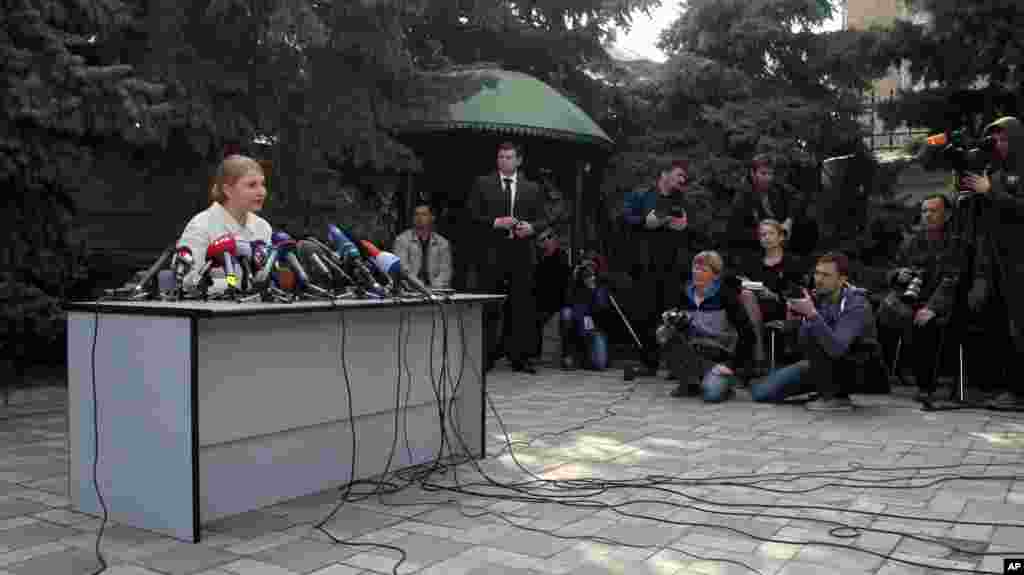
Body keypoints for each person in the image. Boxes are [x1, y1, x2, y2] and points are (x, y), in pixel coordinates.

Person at [750, 252, 878, 411]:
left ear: (842, 279)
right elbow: (803, 343)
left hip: (858, 369)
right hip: (821, 364)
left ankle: (836, 398)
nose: (819, 279)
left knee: (816, 335)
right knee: (761, 392)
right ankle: (822, 389)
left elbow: (838, 348)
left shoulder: (856, 303)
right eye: (817, 273)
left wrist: (811, 315)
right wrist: (795, 318)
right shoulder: (819, 297)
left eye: (826, 275)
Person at [621, 158, 707, 376]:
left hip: (673, 266)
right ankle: (648, 363)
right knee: (645, 314)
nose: (682, 180)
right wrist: (645, 222)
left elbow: (696, 230)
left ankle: (675, 363)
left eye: (683, 177)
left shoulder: (683, 200)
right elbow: (624, 219)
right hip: (646, 264)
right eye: (678, 175)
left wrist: (686, 227)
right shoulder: (642, 195)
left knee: (672, 315)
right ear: (664, 174)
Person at [468, 142, 549, 374]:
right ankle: (485, 357)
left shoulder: (532, 188)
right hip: (491, 254)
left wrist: (531, 228)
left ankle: (520, 357)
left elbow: (543, 219)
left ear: (519, 160)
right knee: (490, 306)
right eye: (501, 157)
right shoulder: (482, 183)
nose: (504, 161)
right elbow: (470, 216)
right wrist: (495, 222)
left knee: (520, 307)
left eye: (509, 157)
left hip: (521, 253)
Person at [960, 116, 1024, 407]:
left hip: (1018, 261)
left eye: (1003, 138)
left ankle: (1017, 391)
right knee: (993, 323)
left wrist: (991, 192)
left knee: (1017, 326)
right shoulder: (990, 171)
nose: (997, 144)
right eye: (993, 138)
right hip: (993, 259)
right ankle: (996, 385)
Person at [876, 194, 959, 402]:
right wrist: (898, 274)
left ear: (947, 215)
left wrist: (932, 307)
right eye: (924, 211)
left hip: (941, 302)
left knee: (924, 321)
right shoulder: (912, 241)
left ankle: (925, 385)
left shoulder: (955, 242)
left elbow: (952, 279)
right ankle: (880, 375)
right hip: (911, 298)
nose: (927, 215)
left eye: (933, 210)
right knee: (881, 313)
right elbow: (891, 269)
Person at [661, 251, 756, 402]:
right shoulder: (684, 293)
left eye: (703, 270)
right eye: (695, 268)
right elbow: (677, 330)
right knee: (663, 332)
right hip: (692, 353)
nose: (697, 273)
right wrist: (672, 320)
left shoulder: (726, 296)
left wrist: (734, 366)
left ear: (715, 275)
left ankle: (719, 380)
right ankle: (691, 381)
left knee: (712, 395)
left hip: (719, 356)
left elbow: (748, 334)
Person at [177, 155, 272, 289]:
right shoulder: (200, 225)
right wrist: (238, 285)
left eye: (262, 184)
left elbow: (266, 277)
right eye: (252, 185)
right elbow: (188, 281)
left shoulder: (263, 227)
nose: (261, 192)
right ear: (228, 190)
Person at [727, 154, 801, 262]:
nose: (768, 178)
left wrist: (789, 220)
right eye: (763, 173)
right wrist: (766, 234)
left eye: (771, 174)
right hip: (755, 250)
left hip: (781, 243)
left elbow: (797, 198)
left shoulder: (776, 185)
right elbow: (735, 232)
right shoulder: (742, 197)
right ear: (752, 174)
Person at [738, 219, 806, 323]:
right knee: (745, 294)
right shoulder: (752, 261)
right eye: (763, 235)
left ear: (781, 237)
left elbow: (800, 291)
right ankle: (758, 338)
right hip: (757, 305)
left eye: (771, 233)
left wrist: (774, 296)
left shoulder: (793, 262)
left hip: (785, 306)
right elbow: (740, 281)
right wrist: (759, 288)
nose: (767, 237)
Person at [559, 249, 613, 371]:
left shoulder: (600, 283)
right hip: (578, 325)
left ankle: (587, 358)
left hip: (595, 329)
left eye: (591, 266)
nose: (588, 270)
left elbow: (603, 311)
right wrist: (573, 279)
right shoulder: (575, 281)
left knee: (600, 364)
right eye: (586, 266)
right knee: (566, 313)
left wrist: (593, 288)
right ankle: (569, 354)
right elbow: (566, 302)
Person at [392, 204, 452, 289]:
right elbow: (402, 269)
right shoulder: (402, 240)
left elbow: (445, 272)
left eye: (424, 214)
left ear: (432, 218)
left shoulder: (442, 243)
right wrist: (420, 287)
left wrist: (433, 288)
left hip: (437, 290)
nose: (419, 218)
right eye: (416, 214)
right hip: (410, 289)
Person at [533, 228, 571, 361]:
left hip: (560, 299)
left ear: (554, 239)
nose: (546, 242)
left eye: (548, 238)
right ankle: (533, 354)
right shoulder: (539, 257)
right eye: (542, 240)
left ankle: (567, 355)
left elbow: (561, 281)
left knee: (566, 316)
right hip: (543, 300)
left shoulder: (561, 256)